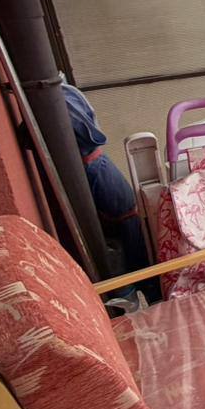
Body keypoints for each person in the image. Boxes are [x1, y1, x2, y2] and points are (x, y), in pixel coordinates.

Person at [62, 83, 151, 277]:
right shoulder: (65, 94)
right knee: (134, 253)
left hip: (117, 202)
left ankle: (144, 284)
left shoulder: (64, 96)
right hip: (111, 191)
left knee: (136, 255)